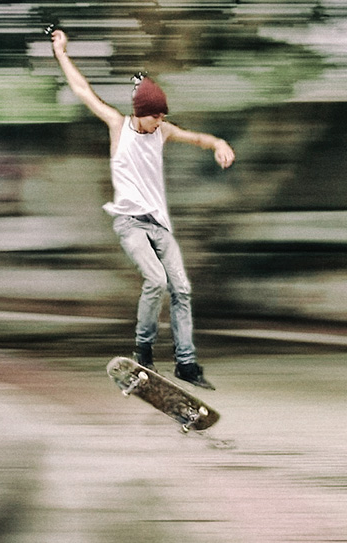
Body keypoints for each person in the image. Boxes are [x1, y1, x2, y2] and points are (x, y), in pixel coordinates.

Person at [51, 29, 234, 390]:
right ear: (141, 114)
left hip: (160, 226)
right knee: (157, 281)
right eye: (156, 119)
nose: (160, 124)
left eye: (163, 118)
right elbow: (82, 90)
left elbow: (198, 138)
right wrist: (61, 52)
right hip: (130, 223)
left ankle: (186, 362)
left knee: (182, 288)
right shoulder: (118, 126)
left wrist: (219, 144)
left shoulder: (162, 131)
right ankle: (143, 352)